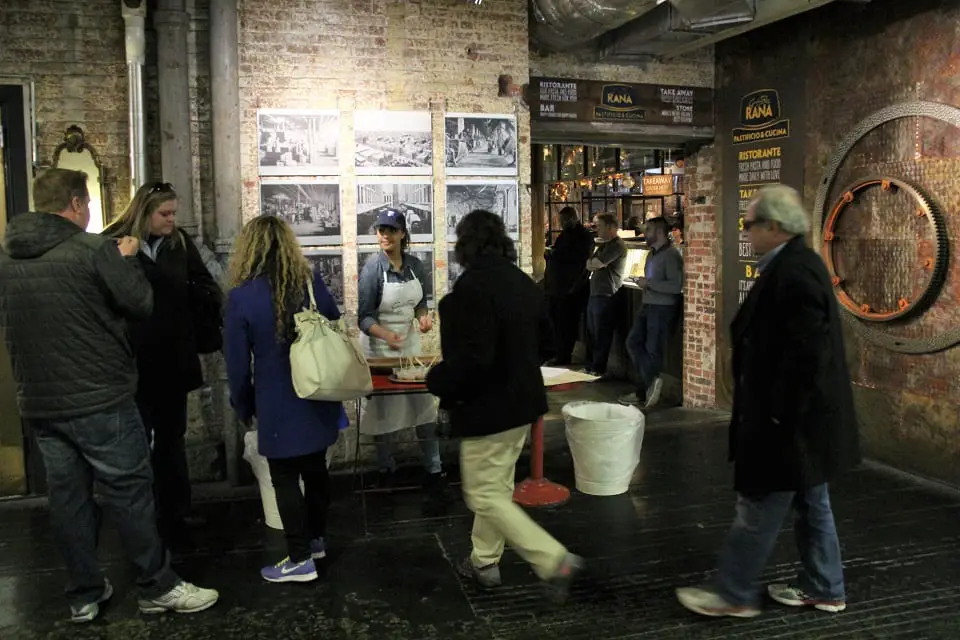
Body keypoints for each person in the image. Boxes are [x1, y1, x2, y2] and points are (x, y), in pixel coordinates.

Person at [0, 169, 218, 622]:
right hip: (98, 395)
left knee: (69, 498)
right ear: (78, 204)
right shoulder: (94, 249)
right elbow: (138, 301)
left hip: (40, 401)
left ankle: (83, 592)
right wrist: (126, 261)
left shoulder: (9, 257)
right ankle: (157, 585)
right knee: (131, 491)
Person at [676, 185, 861, 618]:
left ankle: (733, 593)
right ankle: (826, 586)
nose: (746, 232)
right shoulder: (794, 265)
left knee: (758, 506)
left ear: (774, 228)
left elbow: (806, 357)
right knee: (812, 502)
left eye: (750, 224)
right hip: (804, 423)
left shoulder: (795, 272)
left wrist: (778, 415)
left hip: (788, 425)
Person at [426, 209, 584, 604]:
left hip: (488, 411)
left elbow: (472, 362)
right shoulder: (524, 286)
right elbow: (547, 345)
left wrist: (435, 379)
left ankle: (553, 560)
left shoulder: (468, 293)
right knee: (494, 488)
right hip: (524, 405)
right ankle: (484, 561)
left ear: (465, 245)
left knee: (483, 495)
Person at [224, 216, 347, 583]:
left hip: (277, 399)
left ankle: (299, 558)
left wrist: (243, 405)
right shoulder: (310, 283)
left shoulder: (242, 297)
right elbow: (333, 320)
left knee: (284, 477)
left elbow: (235, 362)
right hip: (318, 393)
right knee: (316, 470)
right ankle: (316, 540)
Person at [357, 208, 451, 510]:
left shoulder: (415, 264)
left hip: (408, 346)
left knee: (423, 405)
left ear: (402, 234)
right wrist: (386, 335)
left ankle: (433, 468)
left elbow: (421, 302)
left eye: (391, 230)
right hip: (380, 349)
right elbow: (363, 317)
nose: (384, 235)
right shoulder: (373, 268)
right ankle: (386, 469)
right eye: (380, 230)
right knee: (384, 412)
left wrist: (423, 319)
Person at [620, 216, 683, 408]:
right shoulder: (651, 255)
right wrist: (645, 283)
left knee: (652, 349)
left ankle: (644, 390)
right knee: (633, 342)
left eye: (648, 230)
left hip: (662, 308)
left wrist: (650, 284)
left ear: (659, 233)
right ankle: (651, 382)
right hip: (648, 304)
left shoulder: (671, 255)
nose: (645, 234)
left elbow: (676, 285)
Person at [543, 206, 593, 366]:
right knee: (557, 322)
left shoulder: (583, 236)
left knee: (567, 324)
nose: (562, 223)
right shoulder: (566, 234)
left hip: (570, 288)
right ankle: (558, 353)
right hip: (557, 287)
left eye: (564, 220)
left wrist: (573, 286)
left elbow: (579, 263)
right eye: (561, 220)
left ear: (573, 218)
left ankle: (564, 355)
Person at [584, 213, 626, 377]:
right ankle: (589, 366)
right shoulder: (603, 245)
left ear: (610, 227)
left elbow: (596, 263)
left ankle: (598, 368)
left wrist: (593, 264)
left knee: (602, 334)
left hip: (607, 294)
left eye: (599, 226)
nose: (597, 230)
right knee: (591, 332)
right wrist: (592, 264)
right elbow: (590, 265)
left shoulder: (617, 245)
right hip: (595, 293)